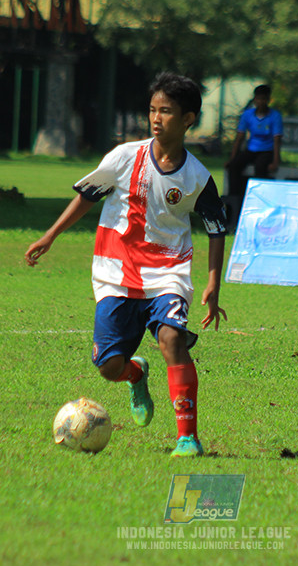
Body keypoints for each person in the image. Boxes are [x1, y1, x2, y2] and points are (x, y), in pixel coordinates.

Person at [25, 72, 228, 458]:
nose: (156, 118)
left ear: (188, 118)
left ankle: (188, 436)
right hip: (114, 272)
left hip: (168, 271)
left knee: (171, 339)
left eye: (166, 111)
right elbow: (87, 196)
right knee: (107, 366)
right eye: (152, 110)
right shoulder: (123, 157)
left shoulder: (198, 177)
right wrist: (50, 235)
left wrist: (213, 282)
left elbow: (216, 228)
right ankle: (136, 373)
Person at [224, 84, 283, 220]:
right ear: (254, 99)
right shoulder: (248, 115)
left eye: (264, 99)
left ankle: (258, 203)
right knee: (234, 167)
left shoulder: (274, 116)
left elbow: (276, 140)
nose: (261, 102)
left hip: (266, 151)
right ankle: (233, 204)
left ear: (268, 100)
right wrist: (232, 158)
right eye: (258, 99)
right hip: (251, 149)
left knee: (260, 167)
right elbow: (239, 137)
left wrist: (275, 161)